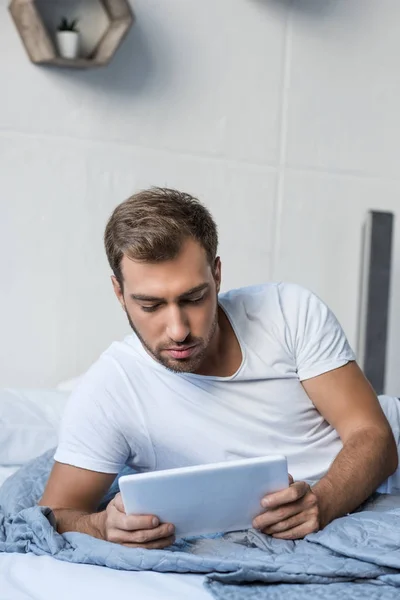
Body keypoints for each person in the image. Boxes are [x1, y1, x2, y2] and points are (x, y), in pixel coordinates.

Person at [39, 187, 400, 550]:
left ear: (217, 274)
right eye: (150, 305)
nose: (178, 330)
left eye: (193, 298)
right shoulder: (110, 390)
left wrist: (322, 503)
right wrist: (102, 526)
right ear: (119, 294)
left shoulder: (289, 312)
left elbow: (374, 436)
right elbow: (55, 514)